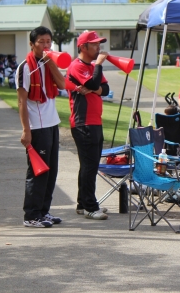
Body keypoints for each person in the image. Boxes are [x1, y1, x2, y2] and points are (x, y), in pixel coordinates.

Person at [17, 26, 66, 228]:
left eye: (48, 41)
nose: (46, 45)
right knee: (38, 172)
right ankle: (31, 215)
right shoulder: (25, 68)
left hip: (52, 123)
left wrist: (50, 63)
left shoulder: (48, 63)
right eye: (41, 42)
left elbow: (62, 85)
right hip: (37, 126)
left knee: (51, 170)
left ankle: (43, 211)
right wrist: (26, 130)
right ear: (32, 44)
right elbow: (21, 101)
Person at [66, 31, 110, 220]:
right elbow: (93, 81)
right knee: (90, 166)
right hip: (84, 123)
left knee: (88, 165)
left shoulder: (91, 66)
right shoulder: (77, 66)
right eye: (94, 44)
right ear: (83, 47)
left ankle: (83, 203)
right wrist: (98, 66)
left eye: (98, 44)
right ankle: (90, 207)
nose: (98, 47)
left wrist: (94, 89)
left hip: (94, 121)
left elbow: (105, 89)